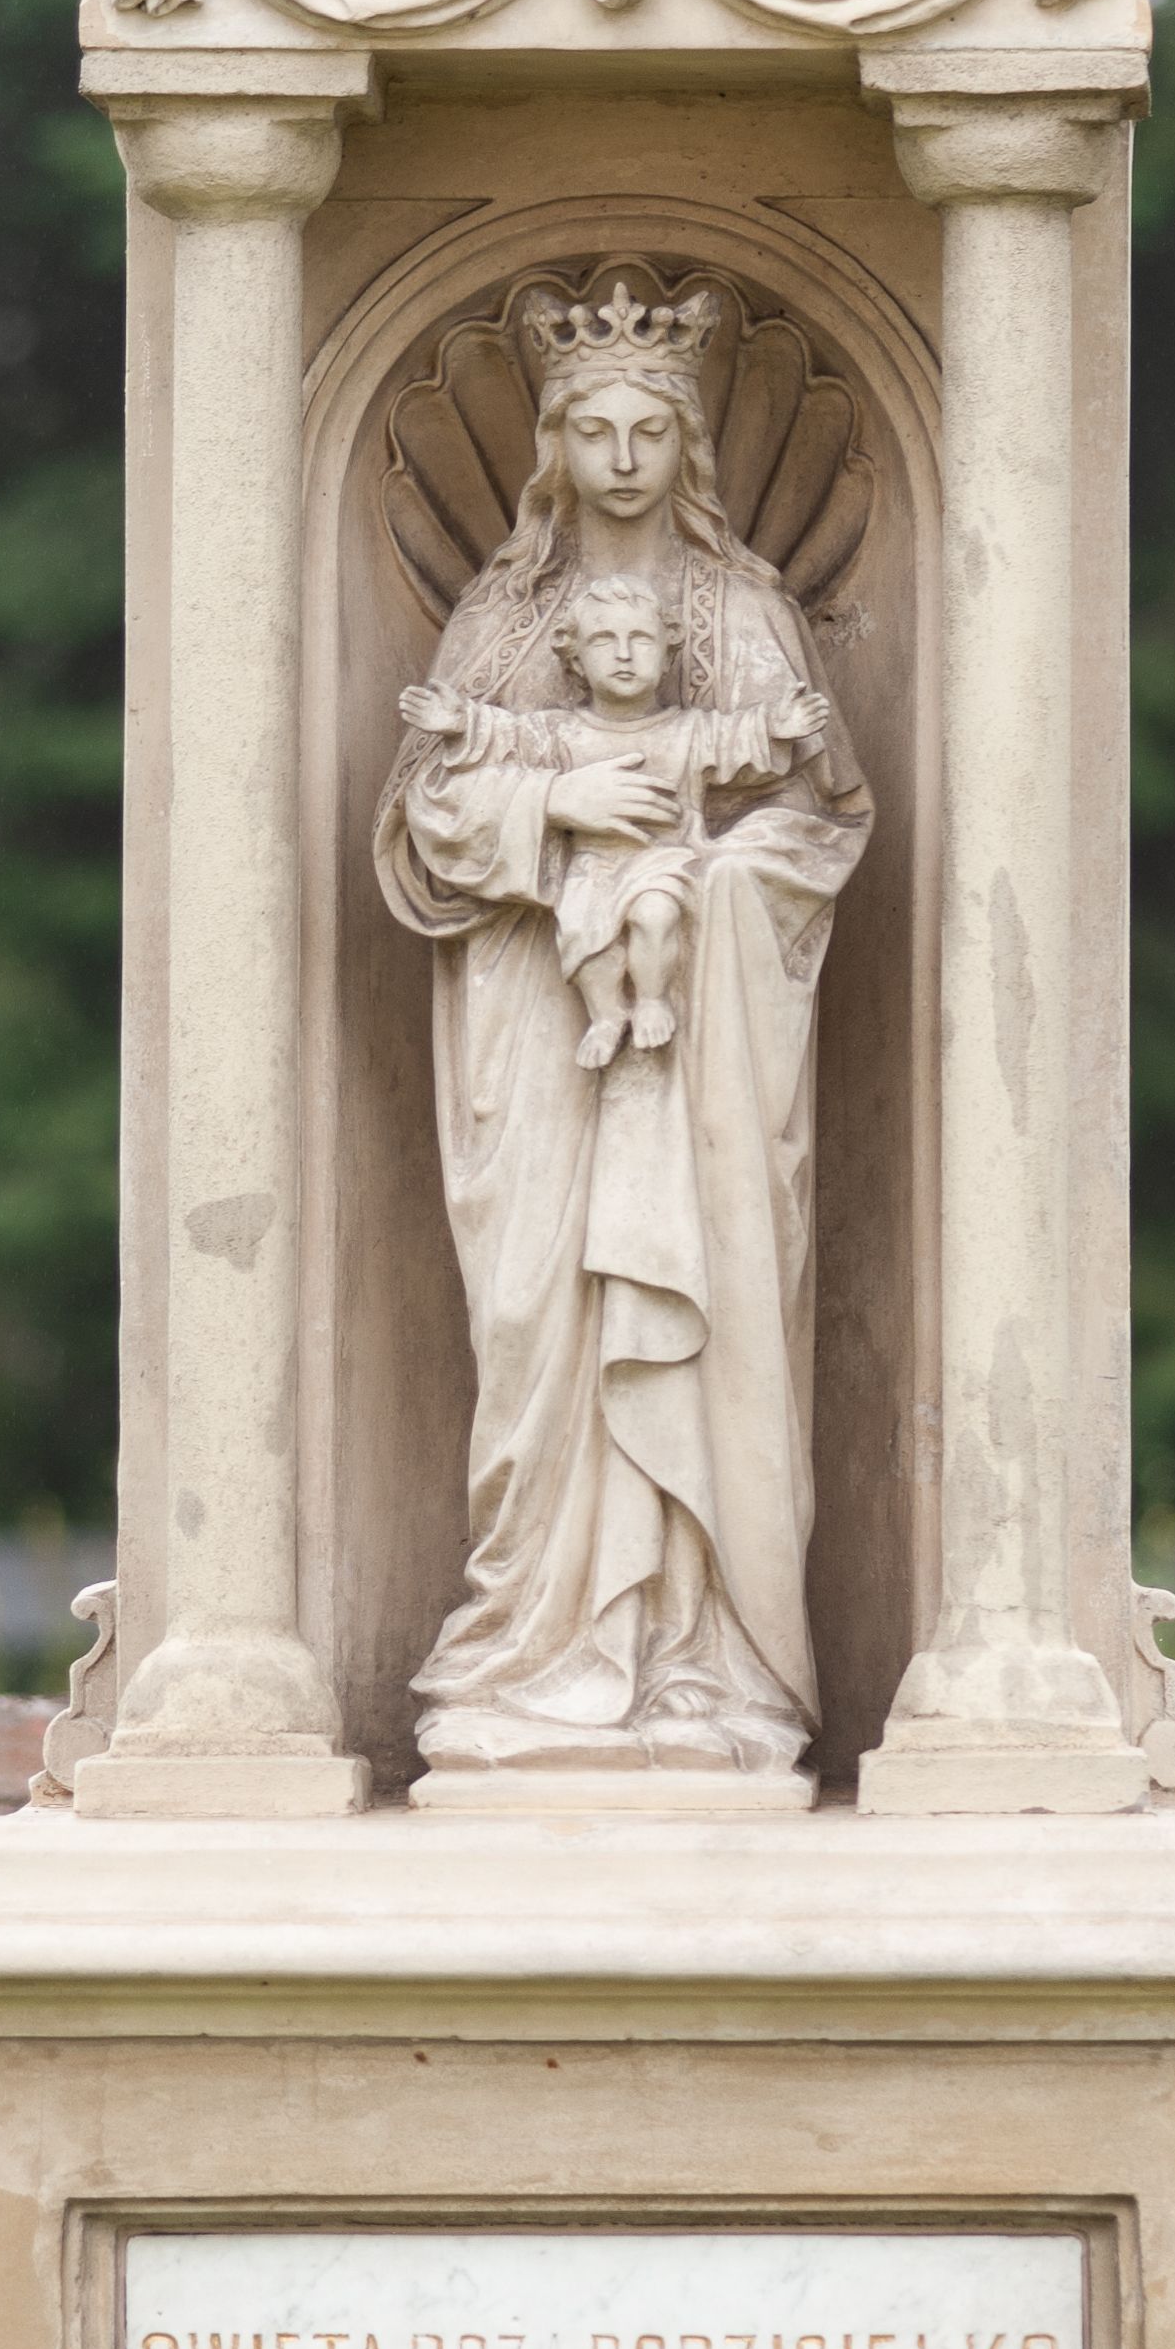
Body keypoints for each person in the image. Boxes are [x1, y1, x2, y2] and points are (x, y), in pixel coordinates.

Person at [374, 276, 872, 1781]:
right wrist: (559, 802)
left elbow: (820, 815)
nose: (624, 456)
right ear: (552, 442)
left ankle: (703, 1664)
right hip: (533, 1025)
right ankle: (531, 1650)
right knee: (532, 1325)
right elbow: (421, 818)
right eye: (593, 429)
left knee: (697, 1315)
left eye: (651, 428)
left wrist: (706, 884)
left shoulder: (744, 613)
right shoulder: (505, 614)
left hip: (704, 1032)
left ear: (691, 439)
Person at [398, 566, 831, 1069]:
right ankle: (607, 1015)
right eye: (604, 641)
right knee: (587, 944)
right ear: (576, 661)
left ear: (667, 654)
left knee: (655, 916)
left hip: (662, 859)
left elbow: (734, 739)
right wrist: (462, 723)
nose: (624, 654)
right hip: (591, 868)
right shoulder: (560, 732)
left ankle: (652, 1000)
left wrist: (775, 727)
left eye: (641, 640)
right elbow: (509, 735)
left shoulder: (688, 730)